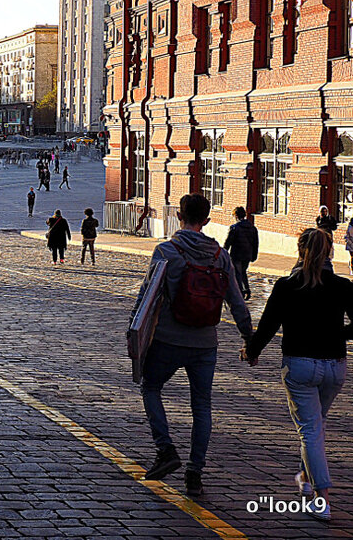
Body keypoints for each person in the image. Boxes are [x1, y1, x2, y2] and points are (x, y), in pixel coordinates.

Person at [131, 192, 252, 498]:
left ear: (179, 217)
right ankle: (194, 473)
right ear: (207, 220)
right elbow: (236, 302)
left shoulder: (166, 251)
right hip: (205, 344)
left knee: (151, 387)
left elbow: (147, 297)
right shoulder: (220, 257)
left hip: (168, 339)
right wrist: (249, 338)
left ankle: (165, 448)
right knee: (202, 406)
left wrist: (134, 333)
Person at [245, 228, 353, 521]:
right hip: (335, 367)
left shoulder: (287, 286)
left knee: (310, 429)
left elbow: (267, 325)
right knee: (316, 424)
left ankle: (322, 499)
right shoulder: (343, 286)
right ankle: (305, 479)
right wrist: (336, 334)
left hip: (301, 366)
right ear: (330, 252)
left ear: (299, 250)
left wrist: (252, 352)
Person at [223, 206, 259, 300]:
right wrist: (254, 255)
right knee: (243, 272)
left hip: (236, 254)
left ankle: (240, 292)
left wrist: (223, 252)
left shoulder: (234, 228)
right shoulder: (252, 228)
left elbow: (228, 242)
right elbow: (255, 243)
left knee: (237, 273)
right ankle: (246, 289)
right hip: (247, 254)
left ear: (236, 216)